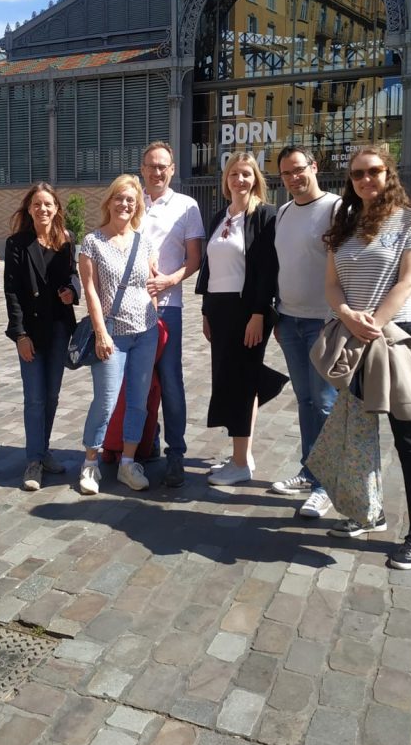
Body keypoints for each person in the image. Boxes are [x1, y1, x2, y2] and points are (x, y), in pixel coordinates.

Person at [323, 145, 411, 569]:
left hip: (395, 339)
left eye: (373, 171)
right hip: (354, 336)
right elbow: (332, 284)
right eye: (356, 174)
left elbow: (408, 282)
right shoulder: (345, 223)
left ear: (389, 174)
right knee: (356, 431)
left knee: (409, 438)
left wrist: (372, 325)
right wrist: (348, 315)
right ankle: (366, 510)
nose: (365, 180)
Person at [195, 151, 287, 486]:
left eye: (246, 173)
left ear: (256, 179)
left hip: (247, 310)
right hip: (219, 311)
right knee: (229, 378)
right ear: (226, 180)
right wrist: (205, 310)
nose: (240, 180)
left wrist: (259, 313)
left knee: (241, 381)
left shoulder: (265, 216)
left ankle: (240, 463)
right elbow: (209, 267)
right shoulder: (220, 215)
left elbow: (267, 269)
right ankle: (241, 454)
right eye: (234, 173)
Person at [270, 146, 340, 520]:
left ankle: (325, 485)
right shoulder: (282, 212)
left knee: (325, 402)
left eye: (299, 169)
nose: (294, 178)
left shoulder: (336, 208)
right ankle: (310, 469)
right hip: (290, 320)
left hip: (324, 322)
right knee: (306, 401)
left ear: (314, 167)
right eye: (286, 173)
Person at [78, 175, 159, 495]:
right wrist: (100, 333)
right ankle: (89, 463)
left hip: (145, 333)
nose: (124, 204)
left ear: (137, 205)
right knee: (106, 400)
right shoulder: (93, 242)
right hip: (112, 334)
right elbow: (90, 291)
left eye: (131, 200)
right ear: (109, 201)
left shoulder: (145, 242)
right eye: (119, 198)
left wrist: (154, 318)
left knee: (138, 402)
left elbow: (151, 285)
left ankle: (127, 462)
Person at [4, 183, 80, 492]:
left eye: (48, 204)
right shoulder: (17, 243)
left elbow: (74, 274)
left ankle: (44, 450)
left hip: (60, 328)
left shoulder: (67, 241)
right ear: (29, 209)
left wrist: (71, 291)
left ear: (56, 208)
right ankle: (33, 461)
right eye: (37, 204)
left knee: (51, 396)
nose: (43, 209)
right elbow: (11, 292)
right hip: (31, 333)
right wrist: (19, 334)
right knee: (34, 398)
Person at [140, 141, 205, 487]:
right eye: (151, 165)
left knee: (170, 383)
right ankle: (145, 441)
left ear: (172, 169)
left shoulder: (186, 206)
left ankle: (175, 453)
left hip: (168, 309)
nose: (157, 171)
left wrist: (170, 280)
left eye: (163, 166)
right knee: (137, 382)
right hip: (131, 311)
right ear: (142, 168)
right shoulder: (131, 202)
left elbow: (194, 259)